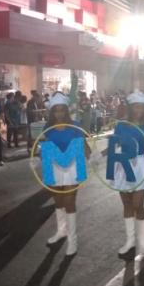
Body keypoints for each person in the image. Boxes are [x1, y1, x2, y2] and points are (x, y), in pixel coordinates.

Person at [40, 92, 90, 256]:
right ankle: (61, 231)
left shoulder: (75, 125)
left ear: (66, 111)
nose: (59, 113)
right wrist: (37, 157)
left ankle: (72, 240)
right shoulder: (47, 128)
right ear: (52, 112)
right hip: (54, 166)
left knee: (69, 201)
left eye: (62, 110)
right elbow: (42, 147)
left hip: (72, 167)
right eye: (56, 110)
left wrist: (91, 156)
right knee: (58, 201)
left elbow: (84, 147)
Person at [113, 91, 144, 257]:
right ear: (131, 108)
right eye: (135, 106)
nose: (138, 110)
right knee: (126, 205)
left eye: (141, 107)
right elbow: (114, 144)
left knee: (138, 205)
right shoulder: (121, 125)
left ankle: (142, 242)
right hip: (122, 165)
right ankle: (130, 241)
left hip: (139, 165)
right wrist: (98, 156)